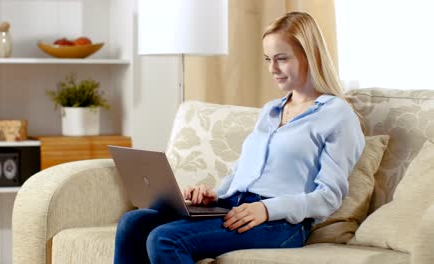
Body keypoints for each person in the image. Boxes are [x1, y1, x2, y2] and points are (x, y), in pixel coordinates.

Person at [113, 11, 365, 264]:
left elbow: (328, 197)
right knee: (134, 221)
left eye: (281, 59)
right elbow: (242, 171)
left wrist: (266, 209)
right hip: (233, 204)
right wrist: (215, 195)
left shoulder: (337, 114)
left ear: (310, 55)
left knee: (165, 238)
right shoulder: (271, 110)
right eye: (268, 59)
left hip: (280, 223)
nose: (272, 68)